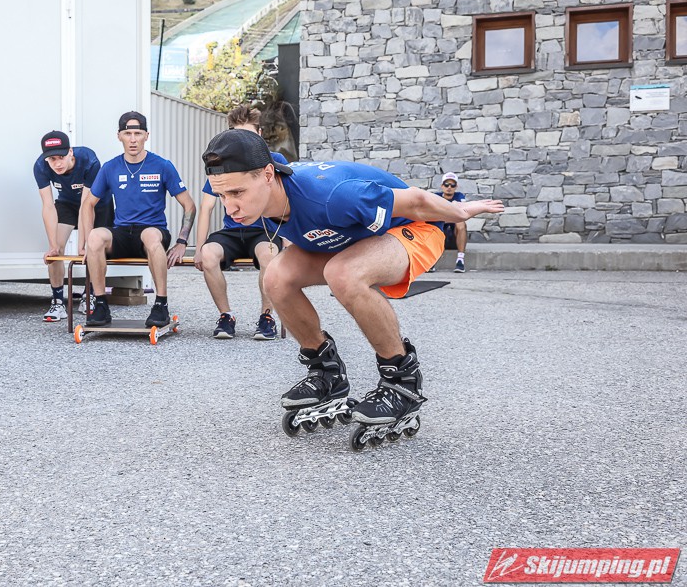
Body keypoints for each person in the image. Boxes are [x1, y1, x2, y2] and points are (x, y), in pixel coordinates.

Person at [201, 131, 503, 438]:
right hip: (352, 234)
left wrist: (461, 211)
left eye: (237, 193)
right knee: (276, 278)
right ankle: (326, 373)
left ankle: (402, 380)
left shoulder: (332, 194)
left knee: (344, 273)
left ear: (268, 175)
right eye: (222, 196)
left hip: (416, 227)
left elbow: (417, 201)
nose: (230, 208)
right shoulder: (264, 182)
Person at [80, 111, 196, 328]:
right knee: (95, 237)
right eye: (127, 134)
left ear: (146, 136)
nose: (133, 139)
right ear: (119, 136)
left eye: (138, 133)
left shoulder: (162, 165)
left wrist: (182, 242)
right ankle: (101, 305)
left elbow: (189, 205)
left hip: (152, 231)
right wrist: (86, 242)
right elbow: (88, 204)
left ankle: (161, 304)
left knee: (150, 235)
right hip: (122, 233)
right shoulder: (110, 167)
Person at [195, 106, 286, 340]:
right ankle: (226, 316)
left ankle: (267, 317)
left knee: (268, 254)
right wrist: (198, 248)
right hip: (233, 232)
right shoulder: (222, 166)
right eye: (238, 135)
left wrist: (289, 244)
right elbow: (206, 207)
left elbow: (289, 201)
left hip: (263, 231)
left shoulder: (274, 161)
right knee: (208, 254)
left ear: (260, 133)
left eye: (249, 135)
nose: (244, 142)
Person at [33, 130, 113, 322]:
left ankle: (91, 295)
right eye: (52, 159)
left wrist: (83, 244)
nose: (57, 164)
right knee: (56, 252)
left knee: (94, 249)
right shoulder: (40, 166)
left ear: (70, 152)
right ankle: (57, 302)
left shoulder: (89, 160)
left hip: (97, 204)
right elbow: (48, 206)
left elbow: (86, 205)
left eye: (61, 157)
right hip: (67, 203)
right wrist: (53, 245)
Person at [433, 172, 468, 273]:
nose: (449, 187)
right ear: (442, 186)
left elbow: (462, 213)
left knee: (460, 222)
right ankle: (432, 260)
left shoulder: (459, 196)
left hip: (455, 238)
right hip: (440, 237)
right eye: (446, 184)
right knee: (432, 224)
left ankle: (460, 260)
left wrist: (444, 214)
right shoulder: (436, 197)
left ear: (456, 187)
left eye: (452, 185)